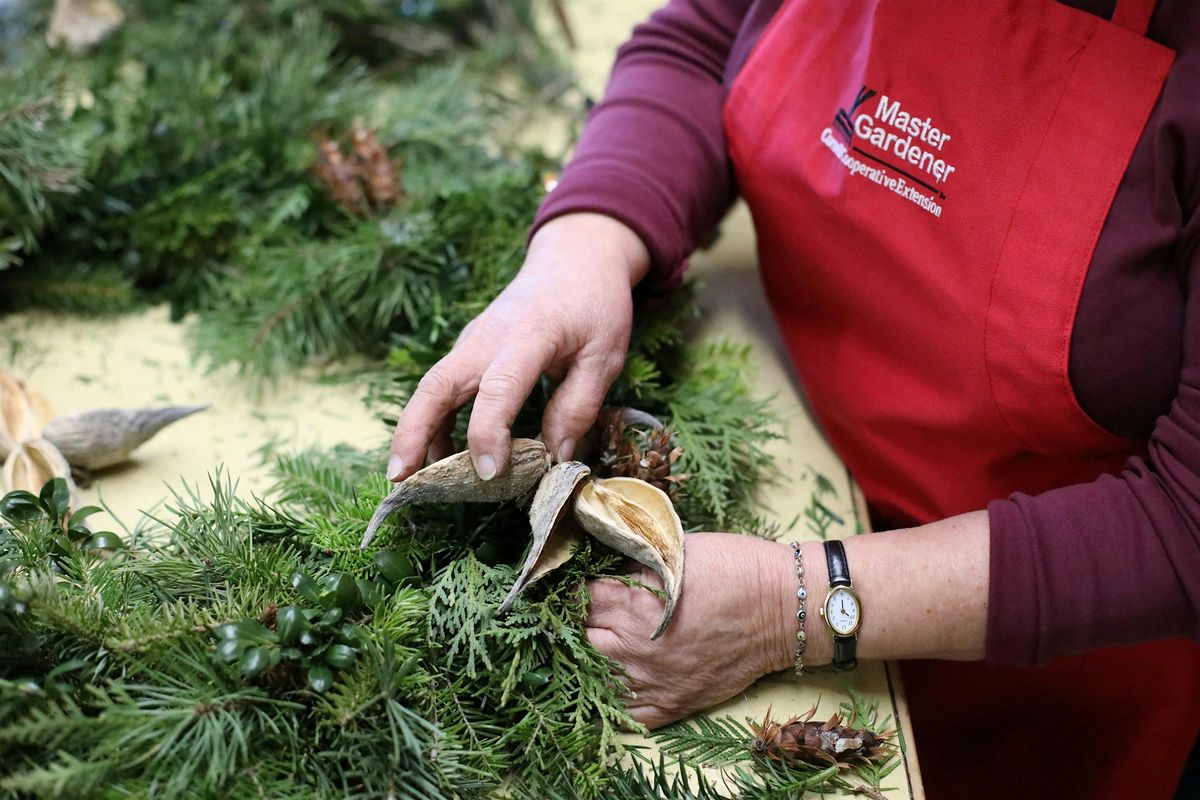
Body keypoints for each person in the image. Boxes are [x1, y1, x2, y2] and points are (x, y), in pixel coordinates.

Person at [386, 1, 1200, 797]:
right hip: (790, 454)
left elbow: (1187, 520)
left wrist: (794, 604)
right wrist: (586, 242)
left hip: (1039, 671)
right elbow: (707, 39)